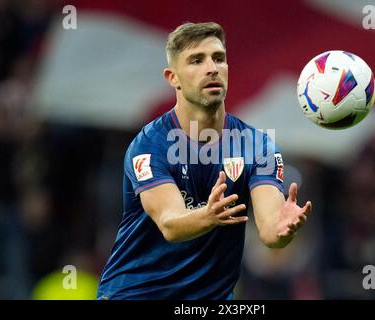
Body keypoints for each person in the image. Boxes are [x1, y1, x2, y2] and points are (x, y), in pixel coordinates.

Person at [97, 22, 312, 300]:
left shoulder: (258, 146)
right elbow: (170, 223)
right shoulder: (150, 145)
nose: (212, 68)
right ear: (172, 77)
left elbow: (271, 231)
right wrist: (207, 216)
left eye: (218, 58)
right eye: (196, 60)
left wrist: (284, 230)